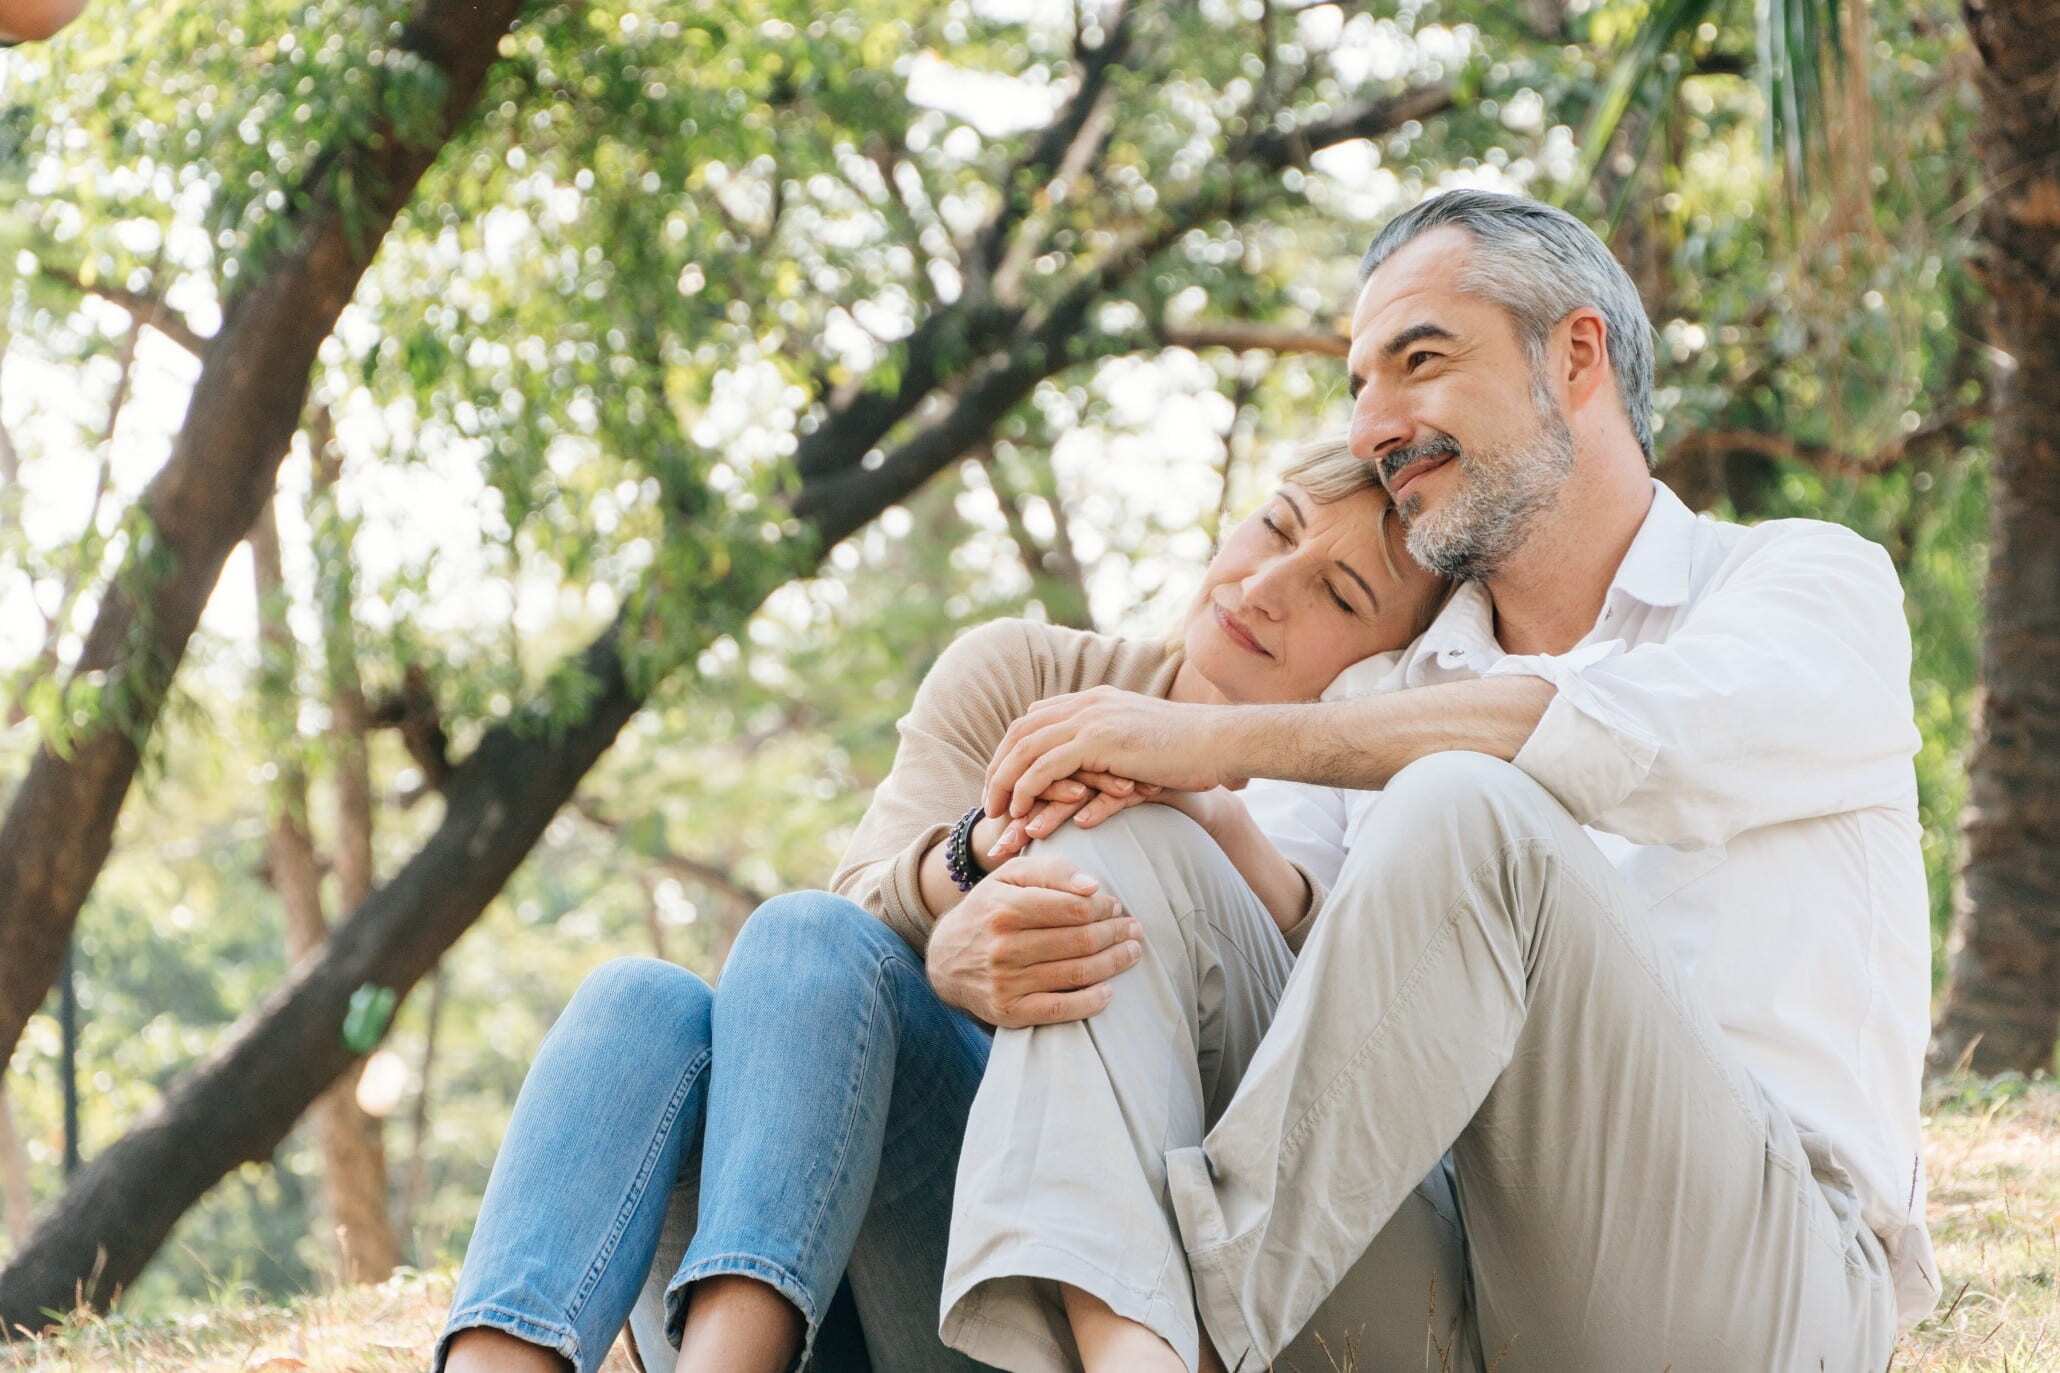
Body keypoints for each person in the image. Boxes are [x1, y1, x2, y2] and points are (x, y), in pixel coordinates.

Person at [962, 188, 1939, 1373]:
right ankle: (1128, 1354)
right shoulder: (1380, 689)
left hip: (1749, 1287)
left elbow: (1603, 736)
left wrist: (1221, 741)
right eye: (1357, 383)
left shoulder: (1800, 586)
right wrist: (1181, 804)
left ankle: (1205, 1339)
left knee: (1463, 799)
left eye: (1417, 360)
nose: (1377, 422)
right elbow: (1278, 963)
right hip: (1442, 1284)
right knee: (1142, 857)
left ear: (1572, 356)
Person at [434, 438, 1463, 1373]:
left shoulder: (1358, 798)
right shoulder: (1020, 671)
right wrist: (963, 877)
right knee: (642, 999)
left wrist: (1209, 815)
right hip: (809, 1291)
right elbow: (831, 950)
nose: (1266, 584)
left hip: (1020, 1300)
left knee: (799, 937)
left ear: (1389, 660)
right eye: (1274, 525)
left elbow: (1352, 1075)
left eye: (1335, 591)